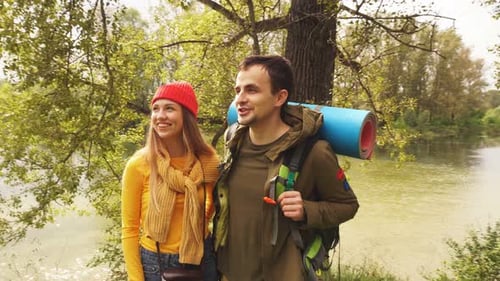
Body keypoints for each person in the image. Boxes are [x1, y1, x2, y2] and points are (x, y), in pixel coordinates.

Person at [213, 55, 360, 281]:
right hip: (229, 273)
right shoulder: (233, 139)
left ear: (279, 97)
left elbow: (348, 206)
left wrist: (307, 210)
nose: (240, 99)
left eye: (251, 90)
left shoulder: (315, 153)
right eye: (237, 90)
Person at [121, 81, 220, 281]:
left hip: (202, 257)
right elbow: (129, 229)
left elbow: (215, 205)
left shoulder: (208, 160)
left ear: (187, 115)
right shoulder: (139, 164)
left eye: (169, 108)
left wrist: (195, 223)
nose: (160, 116)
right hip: (155, 264)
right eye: (155, 109)